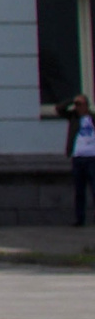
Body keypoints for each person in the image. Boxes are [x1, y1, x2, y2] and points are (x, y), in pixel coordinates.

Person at [65, 94, 95, 229]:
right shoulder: (73, 118)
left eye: (80, 104)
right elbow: (58, 109)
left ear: (86, 106)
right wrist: (72, 99)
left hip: (92, 158)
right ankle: (80, 218)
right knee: (79, 191)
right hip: (78, 158)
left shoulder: (92, 118)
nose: (78, 107)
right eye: (76, 105)